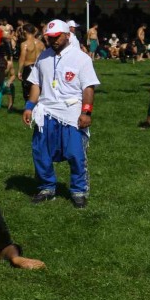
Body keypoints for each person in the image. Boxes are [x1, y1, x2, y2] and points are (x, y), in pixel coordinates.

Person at [22, 19, 100, 209]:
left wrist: (86, 112)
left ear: (67, 35)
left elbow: (88, 87)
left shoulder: (81, 58)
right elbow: (36, 84)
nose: (53, 41)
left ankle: (78, 191)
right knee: (40, 152)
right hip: (46, 111)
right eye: (50, 38)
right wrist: (29, 106)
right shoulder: (43, 57)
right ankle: (47, 188)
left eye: (57, 37)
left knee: (75, 153)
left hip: (71, 112)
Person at [17, 23, 45, 101]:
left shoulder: (24, 44)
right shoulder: (41, 43)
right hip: (39, 68)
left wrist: (19, 71)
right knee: (38, 89)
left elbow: (22, 58)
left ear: (25, 32)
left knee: (27, 91)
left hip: (28, 68)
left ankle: (29, 109)